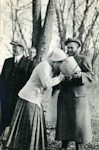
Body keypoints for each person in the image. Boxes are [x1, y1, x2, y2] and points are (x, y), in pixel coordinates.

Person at [4, 49, 67, 150]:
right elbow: (46, 84)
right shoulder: (44, 66)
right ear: (54, 61)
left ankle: (30, 146)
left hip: (34, 98)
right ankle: (25, 146)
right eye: (59, 63)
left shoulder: (49, 67)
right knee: (29, 124)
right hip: (28, 97)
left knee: (34, 122)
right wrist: (61, 78)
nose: (59, 66)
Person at [55, 38, 94, 150]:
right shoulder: (63, 60)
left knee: (79, 126)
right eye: (68, 47)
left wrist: (80, 75)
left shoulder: (83, 59)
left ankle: (79, 147)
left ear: (78, 48)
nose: (69, 50)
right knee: (64, 124)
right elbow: (57, 75)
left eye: (72, 47)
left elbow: (91, 76)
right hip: (64, 95)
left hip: (78, 97)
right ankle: (64, 146)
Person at [0, 41, 33, 134]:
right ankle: (3, 138)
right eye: (13, 47)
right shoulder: (7, 61)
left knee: (17, 118)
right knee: (5, 117)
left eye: (16, 46)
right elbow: (2, 78)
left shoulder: (28, 63)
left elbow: (29, 81)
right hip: (6, 96)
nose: (14, 48)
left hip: (20, 96)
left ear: (22, 49)